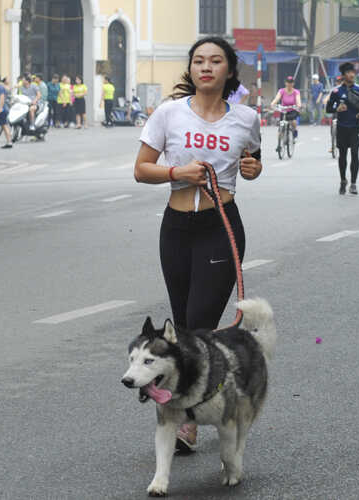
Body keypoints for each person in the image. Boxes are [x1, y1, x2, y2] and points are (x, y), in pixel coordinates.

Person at [133, 36, 262, 453]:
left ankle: (185, 420)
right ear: (190, 69)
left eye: (215, 61)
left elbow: (253, 164)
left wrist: (252, 166)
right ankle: (192, 404)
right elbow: (142, 170)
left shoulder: (245, 118)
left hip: (219, 227)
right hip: (176, 228)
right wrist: (178, 173)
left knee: (198, 321)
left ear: (229, 70)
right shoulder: (169, 113)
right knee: (182, 323)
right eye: (199, 61)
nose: (206, 67)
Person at [325, 62, 359, 195]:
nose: (352, 75)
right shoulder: (336, 91)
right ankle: (343, 180)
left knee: (355, 153)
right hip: (342, 127)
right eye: (349, 72)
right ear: (343, 75)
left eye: (353, 72)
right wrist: (336, 109)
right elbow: (328, 109)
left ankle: (354, 183)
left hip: (355, 127)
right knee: (342, 155)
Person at [270, 75, 302, 149]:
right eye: (288, 82)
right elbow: (277, 98)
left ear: (293, 83)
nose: (289, 84)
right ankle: (279, 145)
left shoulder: (296, 92)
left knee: (293, 122)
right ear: (285, 83)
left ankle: (294, 133)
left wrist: (298, 105)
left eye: (291, 82)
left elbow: (298, 100)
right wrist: (273, 104)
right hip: (284, 110)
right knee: (281, 127)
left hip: (292, 110)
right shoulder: (282, 91)